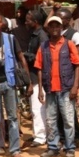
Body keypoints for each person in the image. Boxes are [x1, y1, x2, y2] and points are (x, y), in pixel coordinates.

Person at [0, 12, 33, 157]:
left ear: (2, 23)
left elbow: (21, 58)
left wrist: (29, 82)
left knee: (13, 117)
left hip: (9, 83)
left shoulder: (10, 38)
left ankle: (14, 150)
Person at [35, 16, 79, 157]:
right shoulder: (43, 46)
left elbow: (77, 65)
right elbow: (39, 68)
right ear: (48, 28)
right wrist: (41, 89)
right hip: (50, 90)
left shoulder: (69, 44)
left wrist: (75, 86)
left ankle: (69, 148)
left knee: (68, 120)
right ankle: (53, 147)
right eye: (52, 26)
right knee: (50, 120)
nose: (55, 28)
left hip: (66, 89)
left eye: (57, 26)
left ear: (61, 28)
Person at [54, 8, 79, 147]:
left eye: (61, 17)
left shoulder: (74, 35)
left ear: (68, 20)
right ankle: (62, 137)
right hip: (57, 76)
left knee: (69, 109)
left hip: (70, 76)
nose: (59, 19)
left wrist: (77, 82)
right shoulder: (54, 33)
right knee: (59, 109)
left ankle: (76, 136)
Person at [24, 10, 49, 147]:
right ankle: (37, 134)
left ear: (36, 22)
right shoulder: (34, 34)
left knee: (38, 107)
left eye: (28, 19)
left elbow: (43, 58)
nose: (26, 22)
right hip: (33, 75)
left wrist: (26, 55)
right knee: (35, 107)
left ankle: (40, 137)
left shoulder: (42, 36)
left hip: (39, 77)